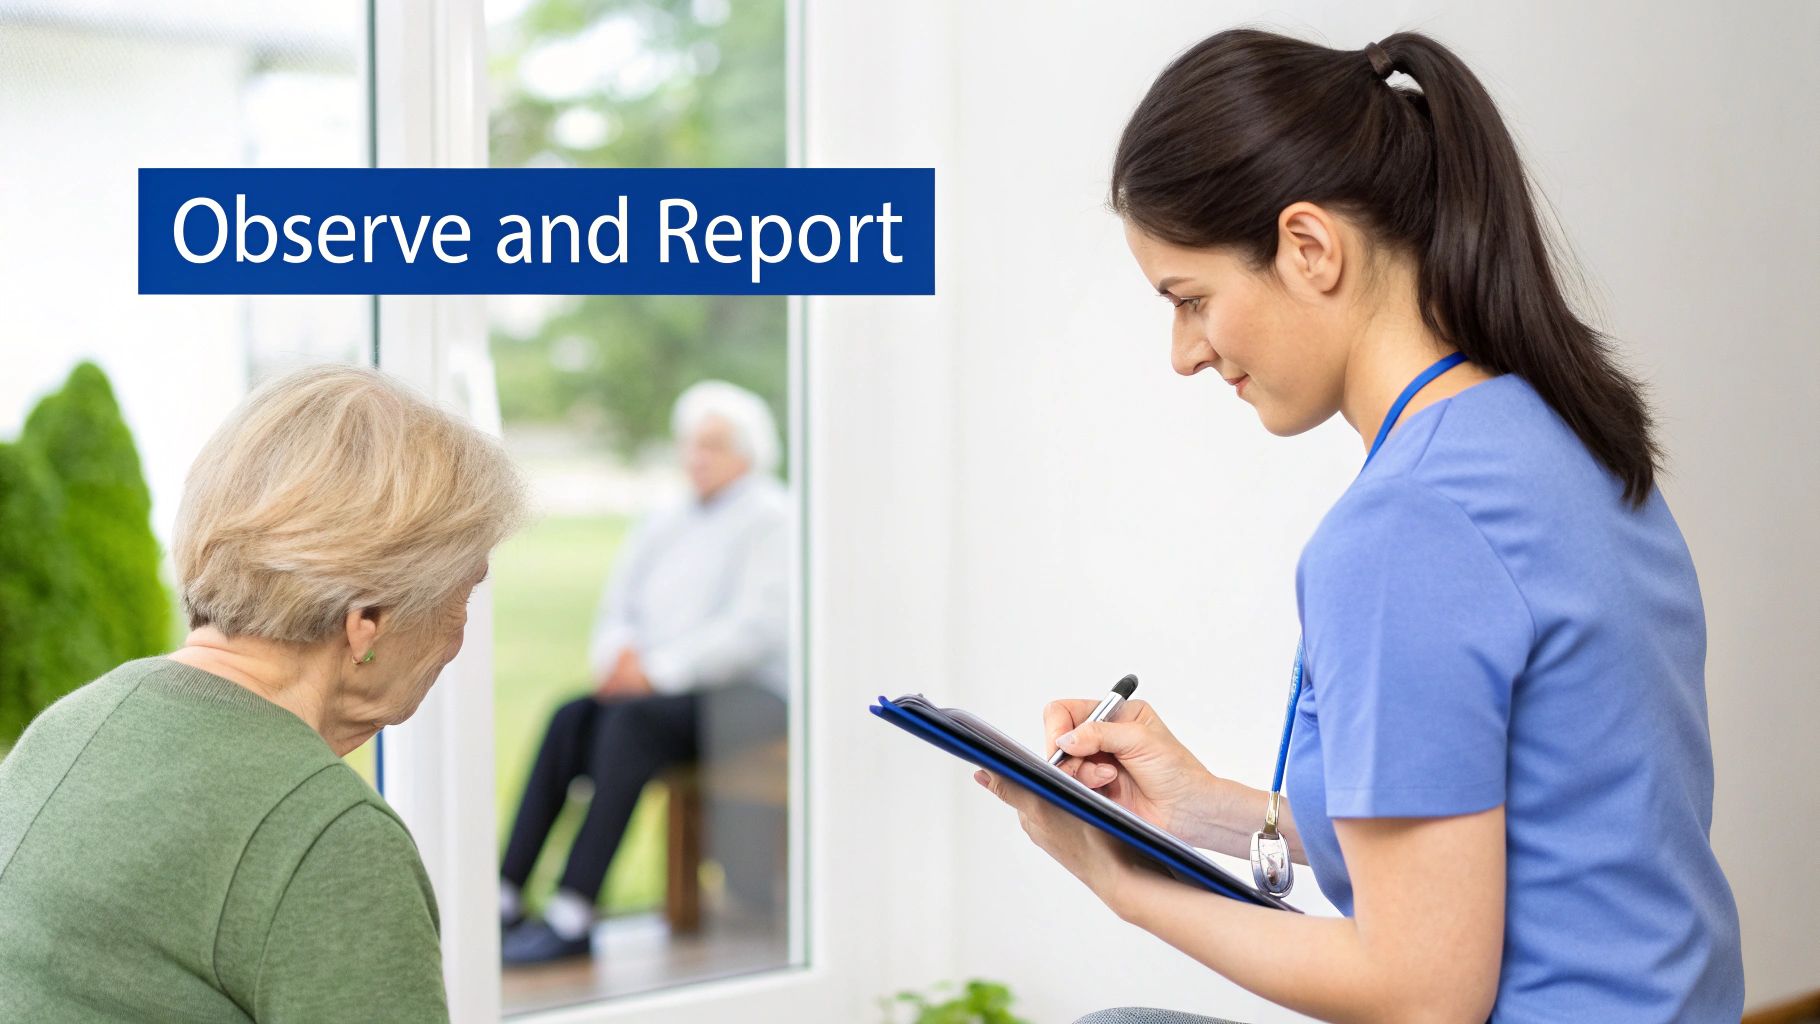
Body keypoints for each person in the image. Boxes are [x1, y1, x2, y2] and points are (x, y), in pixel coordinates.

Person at [974, 29, 1744, 1024]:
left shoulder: (1404, 530)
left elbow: (1422, 994)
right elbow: (1509, 833)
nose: (1183, 352)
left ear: (1307, 247)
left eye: (1189, 299)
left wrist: (1125, 884)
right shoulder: (1558, 435)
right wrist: (1201, 803)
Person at [0, 365, 527, 1022]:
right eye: (464, 591)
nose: (460, 635)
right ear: (368, 621)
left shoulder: (72, 725)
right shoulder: (330, 843)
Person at [500, 379, 789, 965]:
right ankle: (504, 895)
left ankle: (574, 913)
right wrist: (620, 657)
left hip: (748, 694)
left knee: (627, 728)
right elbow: (618, 607)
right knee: (571, 716)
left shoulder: (774, 517)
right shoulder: (665, 517)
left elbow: (755, 629)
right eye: (691, 442)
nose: (696, 456)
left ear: (749, 452)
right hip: (654, 689)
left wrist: (655, 672)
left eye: (713, 444)